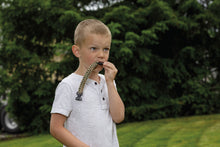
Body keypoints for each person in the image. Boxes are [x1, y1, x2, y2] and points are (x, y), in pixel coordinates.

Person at [50, 19, 125, 147]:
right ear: (77, 51)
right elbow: (56, 128)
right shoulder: (68, 85)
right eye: (93, 48)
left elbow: (118, 117)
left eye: (106, 49)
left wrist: (110, 83)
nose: (101, 55)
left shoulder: (108, 83)